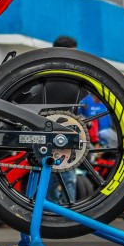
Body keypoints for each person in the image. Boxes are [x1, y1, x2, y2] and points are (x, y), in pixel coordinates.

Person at [47, 35, 78, 204]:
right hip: (47, 130)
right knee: (49, 178)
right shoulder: (48, 74)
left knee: (68, 177)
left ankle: (68, 210)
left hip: (66, 130)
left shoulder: (73, 76)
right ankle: (50, 211)